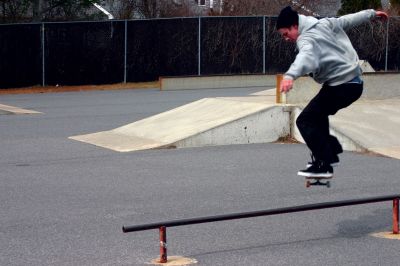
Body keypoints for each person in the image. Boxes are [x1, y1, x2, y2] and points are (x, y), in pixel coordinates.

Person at [276, 6, 388, 177]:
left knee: (305, 121)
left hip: (342, 86)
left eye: (285, 34)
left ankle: (324, 163)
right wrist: (371, 14)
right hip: (353, 84)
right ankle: (328, 155)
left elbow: (304, 56)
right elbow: (348, 20)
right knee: (318, 114)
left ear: (295, 26)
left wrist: (290, 75)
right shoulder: (325, 23)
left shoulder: (306, 39)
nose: (286, 39)